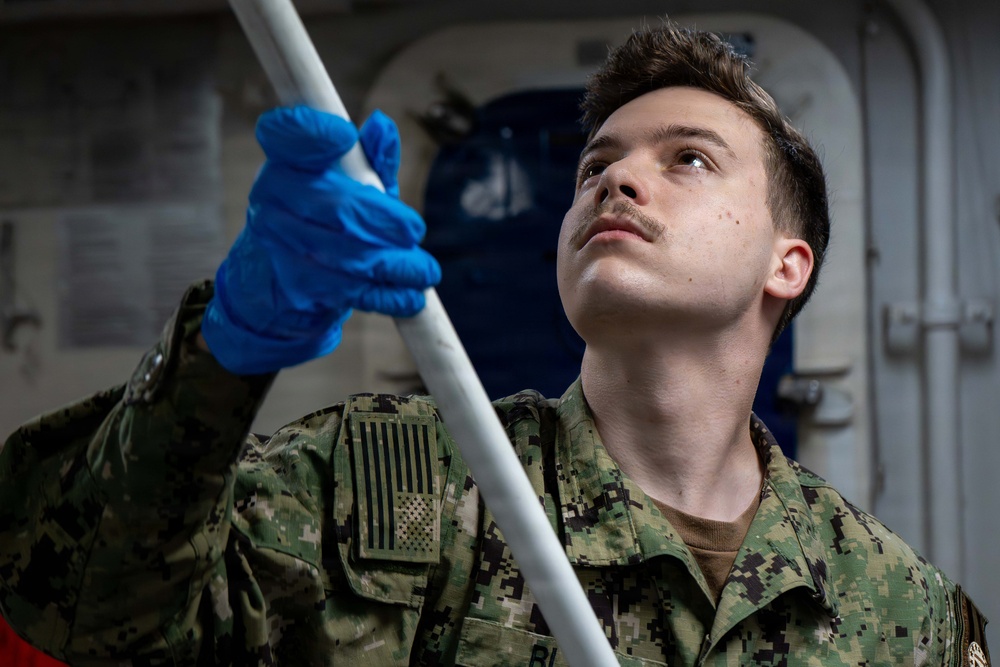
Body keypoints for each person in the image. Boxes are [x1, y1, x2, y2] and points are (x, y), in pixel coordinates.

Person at [0, 19, 989, 667]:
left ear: (788, 263)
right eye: (595, 167)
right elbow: (75, 614)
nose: (615, 181)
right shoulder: (385, 490)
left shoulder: (901, 613)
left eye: (687, 159)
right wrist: (222, 351)